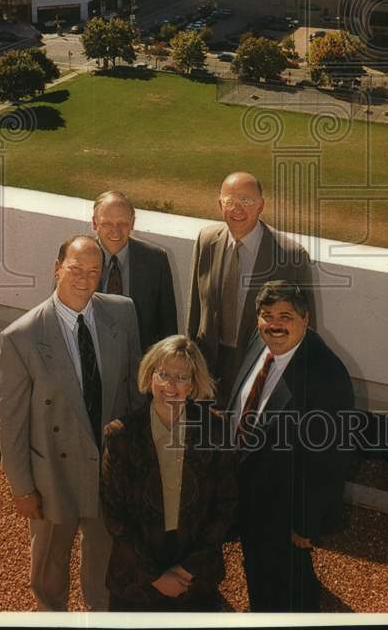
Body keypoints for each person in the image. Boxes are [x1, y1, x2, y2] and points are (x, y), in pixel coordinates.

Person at [0, 234, 142, 612]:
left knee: (105, 556)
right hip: (52, 475)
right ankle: (50, 615)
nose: (85, 278)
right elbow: (9, 421)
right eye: (76, 269)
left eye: (94, 271)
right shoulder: (20, 337)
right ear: (57, 269)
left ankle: (101, 613)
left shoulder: (123, 313)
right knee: (49, 565)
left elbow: (134, 394)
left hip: (108, 467)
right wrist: (22, 487)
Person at [228, 280, 354, 612]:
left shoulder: (327, 376)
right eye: (267, 315)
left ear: (305, 319)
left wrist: (306, 523)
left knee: (287, 591)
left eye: (285, 315)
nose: (275, 324)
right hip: (249, 496)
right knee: (260, 576)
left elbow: (330, 460)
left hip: (284, 511)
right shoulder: (259, 341)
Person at [101, 335, 237, 611]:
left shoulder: (216, 430)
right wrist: (156, 577)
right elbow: (115, 517)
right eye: (163, 374)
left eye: (182, 377)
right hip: (136, 578)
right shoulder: (121, 436)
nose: (170, 386)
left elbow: (225, 506)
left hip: (195, 578)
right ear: (150, 377)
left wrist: (187, 570)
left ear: (194, 384)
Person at [187, 171, 314, 402]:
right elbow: (195, 309)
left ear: (261, 205)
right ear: (219, 204)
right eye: (230, 201)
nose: (238, 209)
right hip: (208, 368)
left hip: (261, 370)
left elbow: (305, 326)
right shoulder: (206, 241)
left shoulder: (290, 256)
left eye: (246, 201)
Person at [92, 189, 178, 351]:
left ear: (132, 223)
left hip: (140, 364)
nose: (115, 230)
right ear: (94, 223)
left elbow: (168, 325)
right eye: (107, 223)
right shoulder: (76, 257)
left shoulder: (156, 260)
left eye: (122, 223)